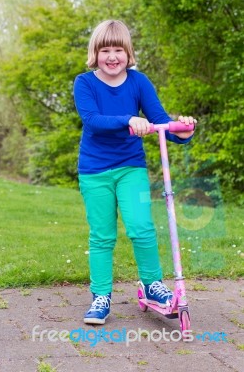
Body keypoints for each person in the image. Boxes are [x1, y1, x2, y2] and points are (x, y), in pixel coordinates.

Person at [74, 20, 197, 325]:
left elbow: (158, 120)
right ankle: (101, 296)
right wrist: (129, 118)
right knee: (102, 235)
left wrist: (182, 131)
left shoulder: (139, 82)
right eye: (106, 50)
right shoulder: (84, 83)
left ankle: (152, 285)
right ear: (95, 53)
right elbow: (92, 120)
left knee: (141, 227)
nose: (112, 56)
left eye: (118, 49)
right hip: (95, 171)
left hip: (131, 168)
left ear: (128, 53)